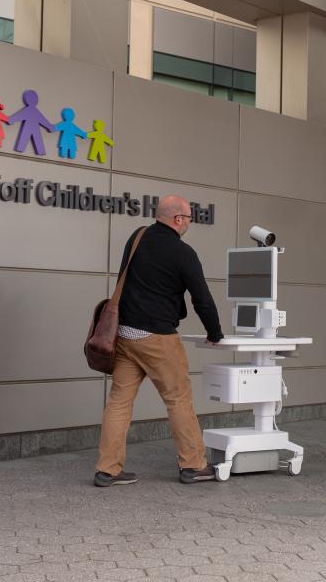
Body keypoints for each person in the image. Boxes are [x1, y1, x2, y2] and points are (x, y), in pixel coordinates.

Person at [94, 195, 223, 487]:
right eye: (189, 218)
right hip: (158, 338)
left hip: (125, 334)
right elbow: (202, 299)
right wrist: (214, 333)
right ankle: (193, 465)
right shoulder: (183, 252)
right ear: (178, 219)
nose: (189, 223)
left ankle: (107, 469)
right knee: (178, 400)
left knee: (118, 403)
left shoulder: (137, 237)